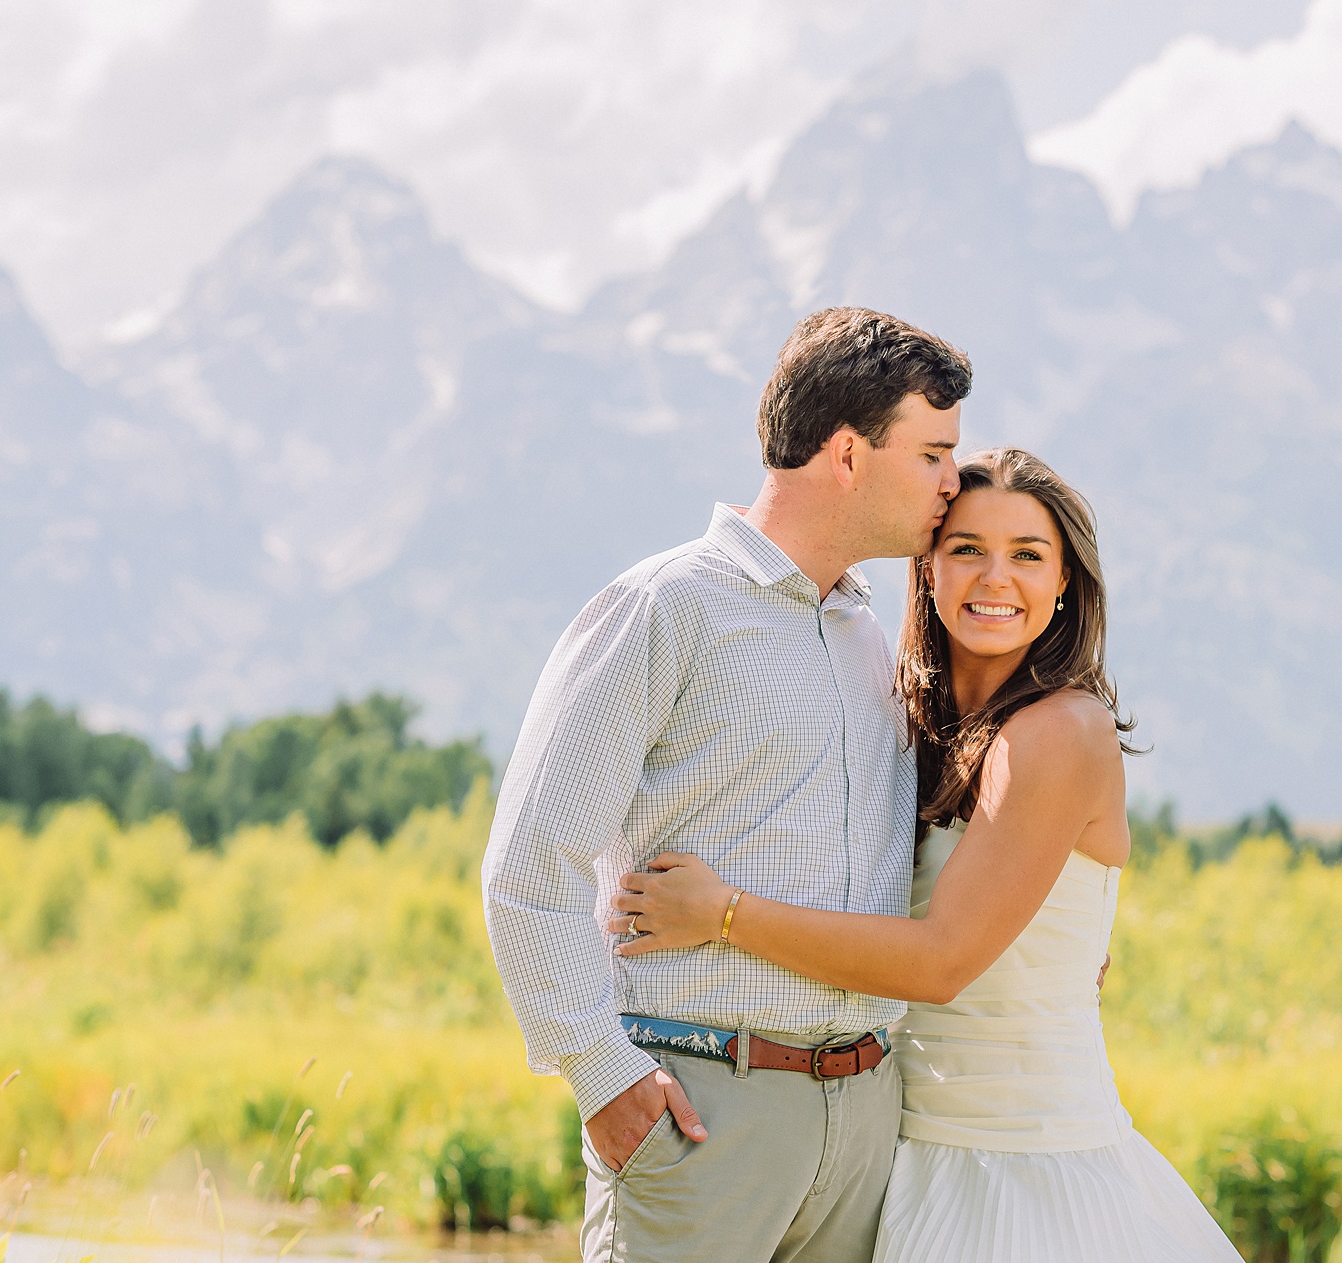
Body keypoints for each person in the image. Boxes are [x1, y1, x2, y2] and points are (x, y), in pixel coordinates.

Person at [611, 447, 1243, 1262]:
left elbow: (941, 961)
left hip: (1027, 1170)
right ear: (928, 568)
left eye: (1027, 555)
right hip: (901, 1159)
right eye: (967, 548)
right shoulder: (909, 723)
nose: (995, 577)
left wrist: (724, 913)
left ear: (1064, 583)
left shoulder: (1062, 731)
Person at [480, 307, 971, 1263]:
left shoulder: (871, 635)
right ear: (847, 453)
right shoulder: (665, 606)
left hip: (865, 1123)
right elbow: (530, 864)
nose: (953, 482)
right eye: (933, 454)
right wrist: (602, 1073)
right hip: (702, 1111)